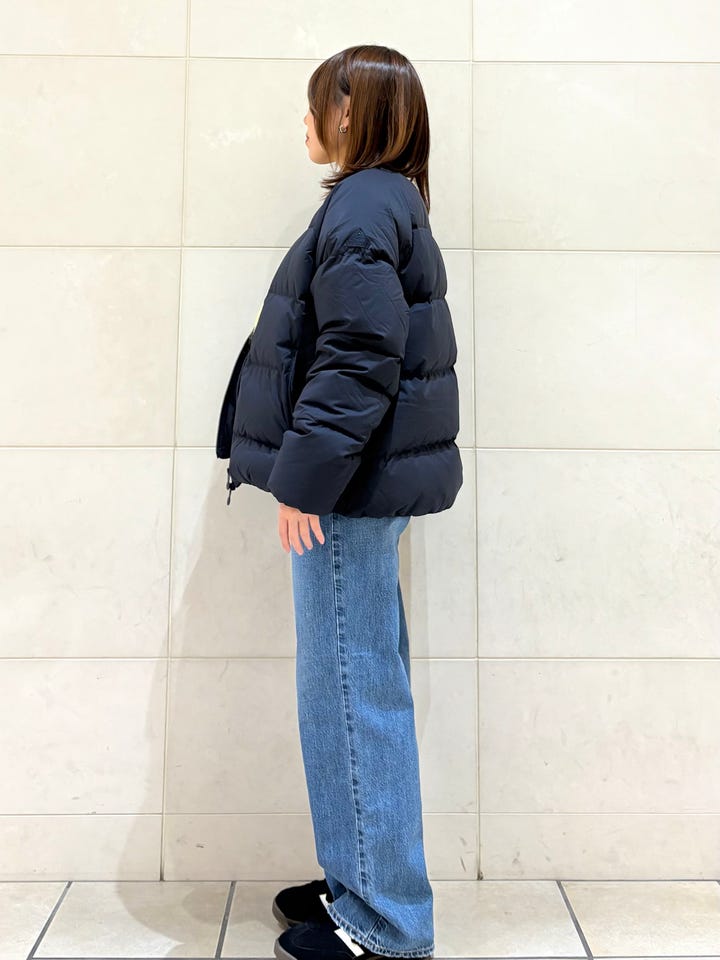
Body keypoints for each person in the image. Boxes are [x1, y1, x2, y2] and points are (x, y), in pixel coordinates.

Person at [217, 43, 462, 960]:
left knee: (353, 693)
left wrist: (305, 479)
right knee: (354, 686)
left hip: (345, 492)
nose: (306, 119)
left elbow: (358, 353)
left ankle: (386, 928)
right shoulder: (384, 198)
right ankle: (358, 884)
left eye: (317, 103)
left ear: (350, 112)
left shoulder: (365, 202)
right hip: (359, 484)